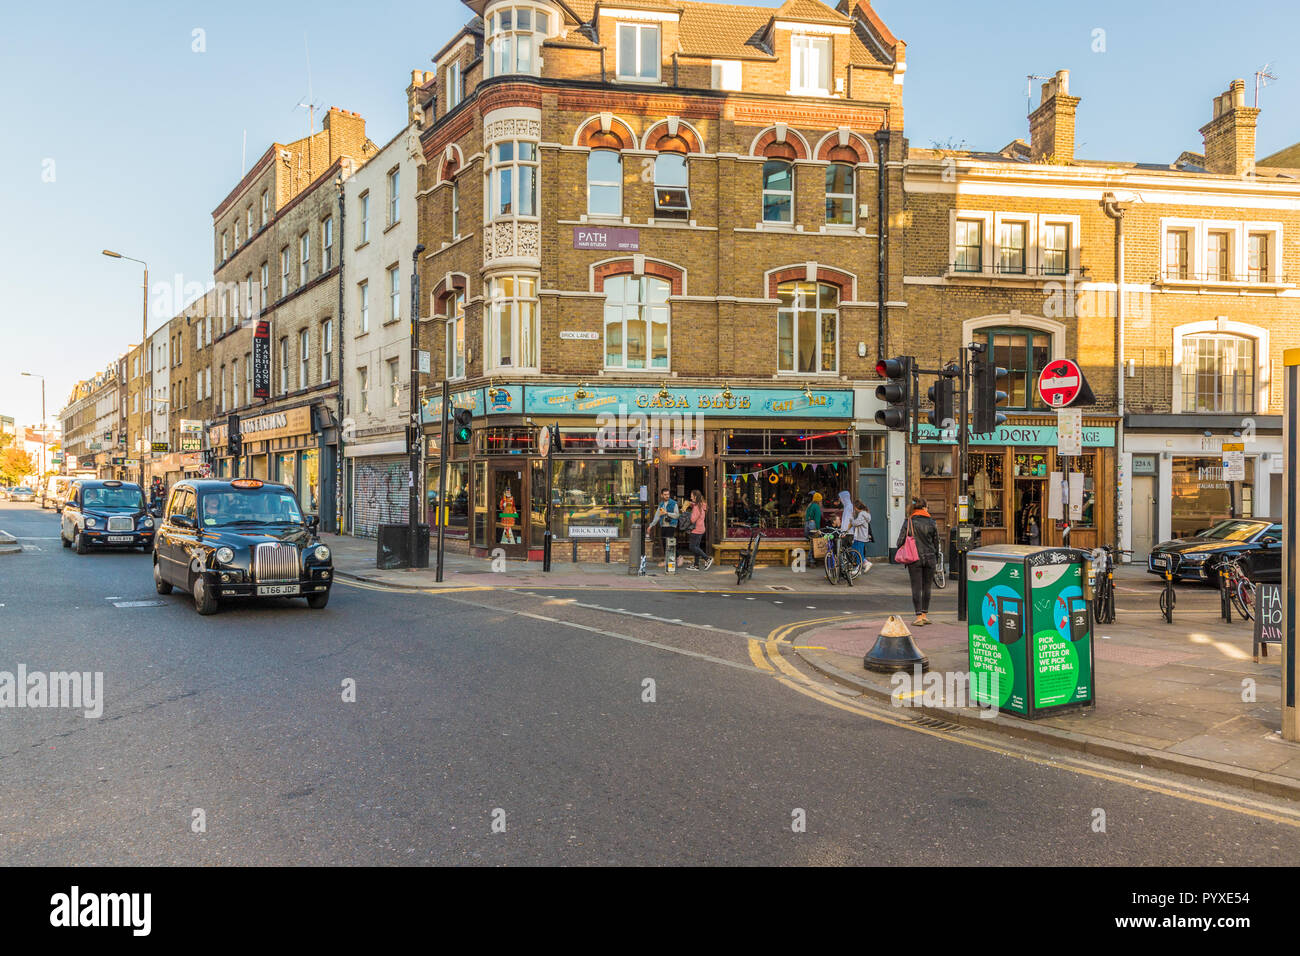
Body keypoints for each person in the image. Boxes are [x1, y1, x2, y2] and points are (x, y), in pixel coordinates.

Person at [897, 496, 941, 626]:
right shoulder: (932, 522)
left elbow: (899, 542)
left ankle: (918, 618)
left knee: (916, 587)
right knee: (927, 587)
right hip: (930, 557)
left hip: (914, 558)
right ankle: (924, 615)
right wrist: (936, 558)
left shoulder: (909, 521)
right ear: (924, 507)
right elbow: (936, 542)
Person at [646, 488, 680, 568]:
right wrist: (651, 526)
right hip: (663, 525)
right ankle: (675, 558)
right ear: (662, 495)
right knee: (665, 543)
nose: (667, 496)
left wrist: (667, 513)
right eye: (665, 494)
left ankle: (669, 560)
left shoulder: (674, 503)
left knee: (669, 543)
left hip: (671, 525)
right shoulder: (661, 505)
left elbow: (677, 515)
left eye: (668, 494)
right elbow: (657, 516)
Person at [685, 490, 712, 570]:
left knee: (692, 547)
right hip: (701, 529)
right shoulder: (701, 505)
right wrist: (691, 504)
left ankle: (707, 558)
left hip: (696, 529)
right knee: (696, 547)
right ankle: (696, 565)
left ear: (695, 497)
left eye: (692, 496)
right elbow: (695, 506)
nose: (690, 497)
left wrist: (685, 512)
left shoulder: (697, 508)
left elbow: (693, 520)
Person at [850, 498, 873, 563]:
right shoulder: (863, 514)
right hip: (859, 537)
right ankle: (859, 566)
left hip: (861, 537)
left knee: (859, 553)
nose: (854, 509)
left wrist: (851, 518)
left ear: (857, 507)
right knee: (855, 550)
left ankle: (864, 564)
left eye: (854, 507)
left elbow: (856, 523)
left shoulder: (862, 514)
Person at [804, 492, 824, 565]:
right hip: (813, 525)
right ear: (819, 500)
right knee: (814, 542)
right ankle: (810, 560)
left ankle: (810, 559)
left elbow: (806, 517)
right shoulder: (817, 507)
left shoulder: (810, 505)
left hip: (807, 524)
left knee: (812, 542)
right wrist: (818, 529)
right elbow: (817, 519)